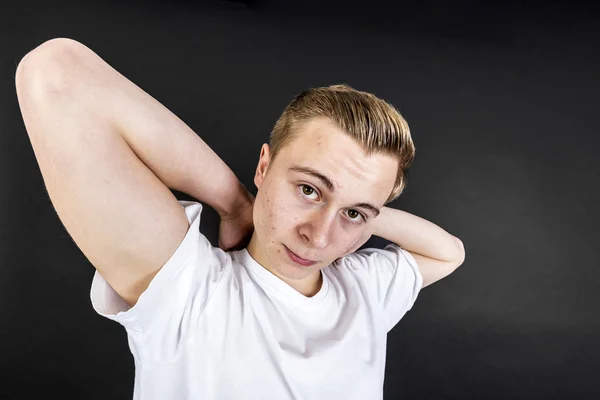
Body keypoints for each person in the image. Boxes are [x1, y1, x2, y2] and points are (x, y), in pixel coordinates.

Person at [15, 38, 465, 400]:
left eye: (352, 215)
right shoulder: (188, 290)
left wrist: (363, 205)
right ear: (264, 167)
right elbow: (56, 73)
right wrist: (234, 202)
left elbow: (449, 253)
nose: (319, 236)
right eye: (309, 189)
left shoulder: (364, 290)